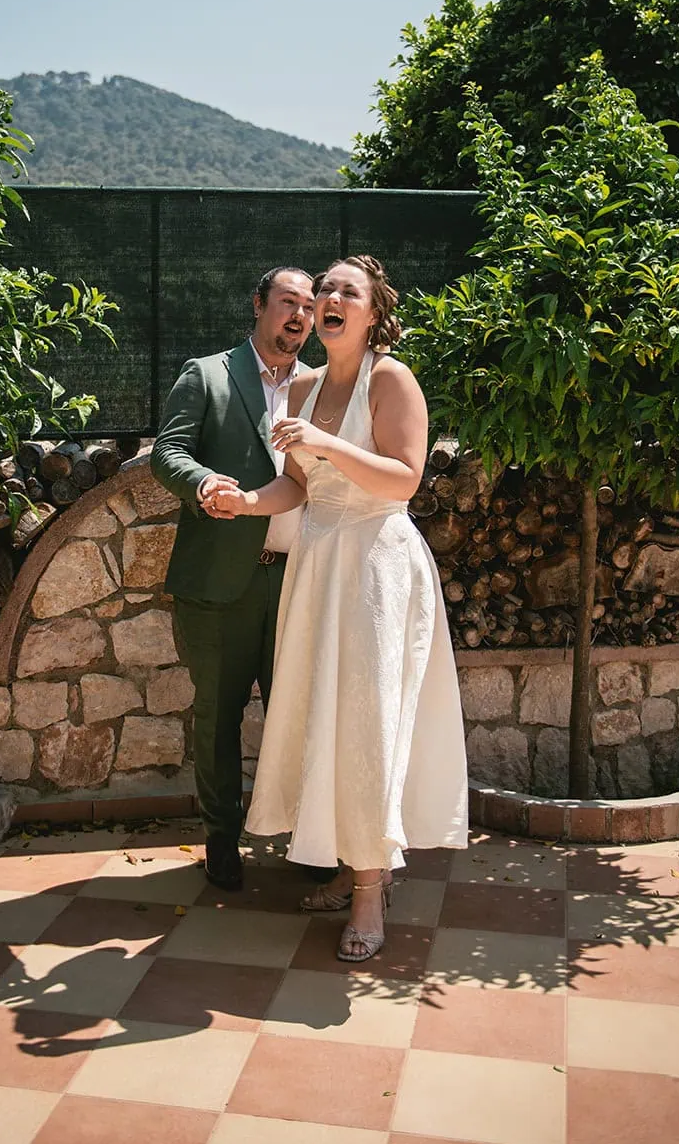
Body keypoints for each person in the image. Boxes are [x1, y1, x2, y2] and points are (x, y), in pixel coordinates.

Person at [209, 255, 468, 961]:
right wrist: (246, 504)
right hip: (318, 567)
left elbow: (405, 478)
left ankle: (367, 892)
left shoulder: (392, 379)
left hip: (376, 567)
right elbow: (298, 488)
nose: (327, 298)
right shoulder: (303, 387)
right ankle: (348, 862)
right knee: (322, 720)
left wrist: (324, 441)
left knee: (368, 724)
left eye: (344, 291)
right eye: (323, 288)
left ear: (373, 313)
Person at [150, 266, 315, 891]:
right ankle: (221, 840)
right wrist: (201, 482)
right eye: (286, 303)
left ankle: (308, 840)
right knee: (217, 717)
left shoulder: (322, 387)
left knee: (295, 716)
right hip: (220, 583)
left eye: (307, 306)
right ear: (259, 306)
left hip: (301, 582)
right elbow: (169, 452)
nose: (298, 316)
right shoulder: (209, 373)